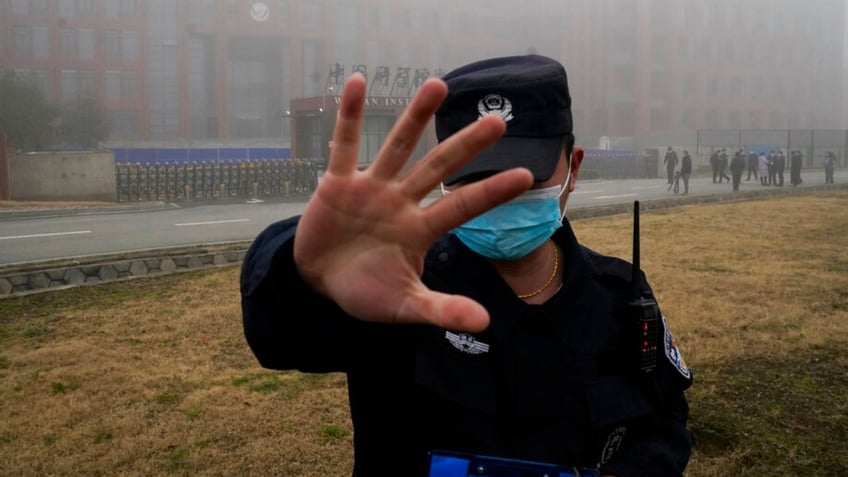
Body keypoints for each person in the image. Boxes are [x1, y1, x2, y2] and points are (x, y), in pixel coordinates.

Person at [240, 55, 693, 476]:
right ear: (443, 179)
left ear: (573, 168)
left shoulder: (619, 296)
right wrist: (305, 273)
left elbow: (664, 421)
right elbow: (279, 338)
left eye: (525, 174)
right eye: (475, 174)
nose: (497, 193)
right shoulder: (399, 292)